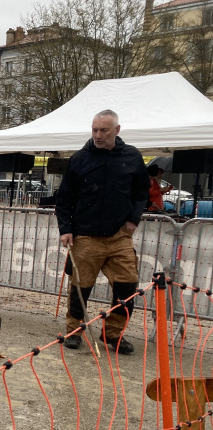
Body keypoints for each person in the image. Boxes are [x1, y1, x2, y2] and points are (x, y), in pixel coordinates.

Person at [55, 109, 149, 355]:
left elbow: (141, 192)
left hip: (119, 236)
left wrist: (134, 219)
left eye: (103, 130)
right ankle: (74, 330)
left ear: (116, 130)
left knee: (127, 287)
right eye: (95, 130)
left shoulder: (132, 156)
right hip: (86, 236)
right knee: (80, 287)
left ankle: (113, 333)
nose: (98, 135)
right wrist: (66, 229)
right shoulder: (79, 159)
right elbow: (64, 198)